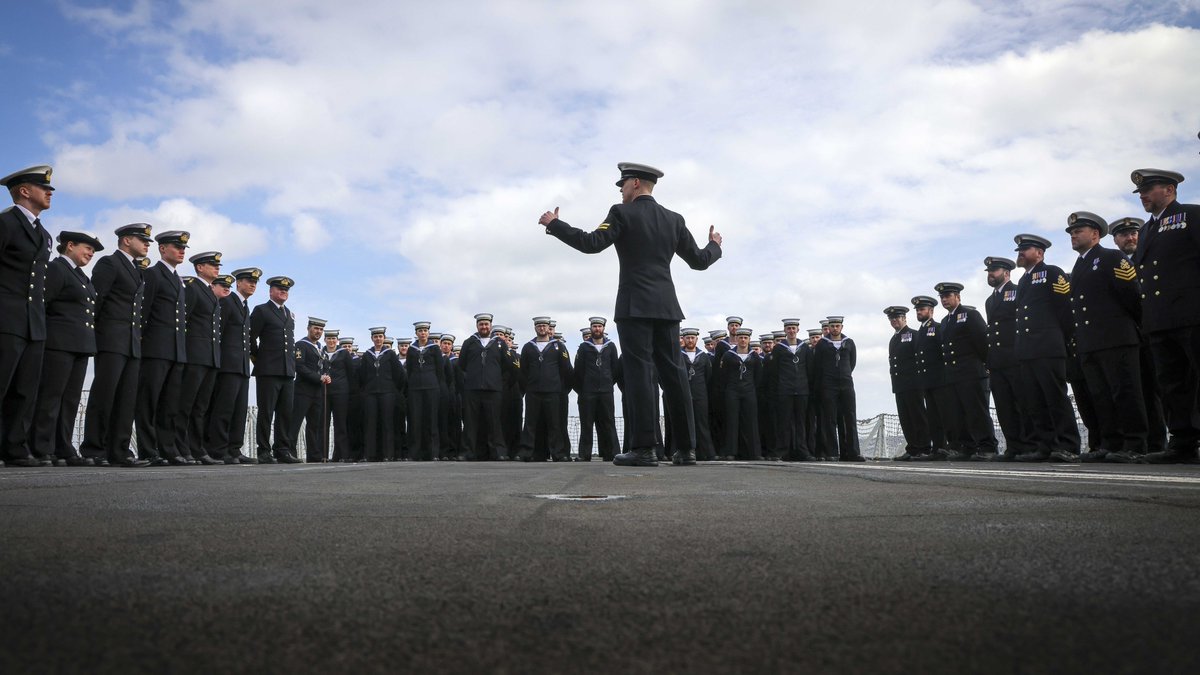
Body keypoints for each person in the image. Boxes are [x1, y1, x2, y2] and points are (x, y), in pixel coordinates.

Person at [539, 162, 723, 466]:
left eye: (623, 184)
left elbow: (591, 243)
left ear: (635, 183)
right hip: (667, 307)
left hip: (634, 306)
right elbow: (700, 261)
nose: (621, 190)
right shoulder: (674, 219)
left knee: (639, 374)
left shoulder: (621, 213)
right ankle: (687, 449)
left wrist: (555, 224)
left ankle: (644, 448)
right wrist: (714, 246)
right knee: (675, 375)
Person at [1129, 169, 1200, 463]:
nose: (1143, 195)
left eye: (1149, 189)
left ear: (1170, 189)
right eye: (1141, 191)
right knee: (1172, 384)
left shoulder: (1191, 216)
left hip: (1192, 313)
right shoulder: (1146, 230)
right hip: (1159, 320)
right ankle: (1182, 441)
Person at [1065, 211, 1146, 463]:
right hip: (1090, 342)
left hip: (1116, 338)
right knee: (1100, 395)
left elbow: (1133, 296)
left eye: (1079, 230)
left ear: (1096, 234)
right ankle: (1110, 443)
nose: (1074, 235)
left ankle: (1135, 443)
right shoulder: (1079, 265)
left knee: (1125, 391)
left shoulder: (1112, 257)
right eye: (1071, 232)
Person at [82, 224, 152, 467]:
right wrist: (94, 335)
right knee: (105, 394)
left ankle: (119, 450)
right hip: (110, 338)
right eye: (142, 240)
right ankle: (94, 448)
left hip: (131, 342)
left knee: (126, 398)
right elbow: (97, 301)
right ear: (125, 240)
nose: (146, 245)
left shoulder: (135, 269)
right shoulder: (109, 263)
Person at [30, 231, 103, 466]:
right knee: (50, 397)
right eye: (87, 248)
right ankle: (41, 447)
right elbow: (43, 304)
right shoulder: (57, 269)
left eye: (93, 250)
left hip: (80, 345)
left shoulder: (82, 276)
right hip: (58, 343)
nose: (91, 253)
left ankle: (63, 446)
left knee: (70, 400)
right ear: (69, 245)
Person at [0, 165, 55, 467]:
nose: (49, 193)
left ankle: (15, 447)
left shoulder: (43, 234)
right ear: (24, 191)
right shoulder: (5, 224)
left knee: (25, 389)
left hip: (33, 322)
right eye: (43, 188)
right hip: (6, 317)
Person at [1011, 234, 1080, 463]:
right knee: (1035, 401)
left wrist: (1062, 339)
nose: (1020, 253)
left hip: (1049, 347)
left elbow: (1066, 310)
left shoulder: (1052, 272)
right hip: (1028, 350)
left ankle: (1068, 445)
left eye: (1025, 249)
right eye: (1019, 250)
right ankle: (1046, 446)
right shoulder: (1022, 281)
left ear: (1039, 253)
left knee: (1055, 398)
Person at [1110, 216, 1166, 455]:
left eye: (1134, 233)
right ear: (1115, 240)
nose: (1130, 237)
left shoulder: (1151, 258)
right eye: (1123, 234)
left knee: (1161, 388)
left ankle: (1164, 442)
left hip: (1155, 329)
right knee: (1139, 389)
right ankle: (1149, 444)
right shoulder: (1114, 264)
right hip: (1131, 337)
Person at [136, 230, 191, 466]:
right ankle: (148, 450)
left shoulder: (177, 279)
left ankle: (167, 448)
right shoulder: (153, 274)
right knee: (149, 400)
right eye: (176, 247)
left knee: (170, 403)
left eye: (183, 248)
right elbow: (143, 312)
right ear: (162, 249)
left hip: (175, 350)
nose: (181, 251)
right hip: (156, 348)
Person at [933, 282, 995, 460]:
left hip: (971, 372)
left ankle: (987, 446)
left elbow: (983, 342)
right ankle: (966, 447)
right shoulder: (945, 322)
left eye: (948, 296)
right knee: (958, 413)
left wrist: (986, 365)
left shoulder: (970, 315)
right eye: (942, 297)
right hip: (953, 375)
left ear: (958, 297)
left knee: (977, 411)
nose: (945, 300)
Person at [206, 266, 260, 464]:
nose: (253, 284)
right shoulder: (228, 302)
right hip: (228, 365)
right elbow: (218, 334)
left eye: (255, 282)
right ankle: (219, 450)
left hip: (242, 366)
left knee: (239, 411)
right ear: (238, 283)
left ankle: (234, 448)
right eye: (249, 281)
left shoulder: (244, 306)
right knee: (224, 408)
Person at [178, 251, 224, 465]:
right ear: (199, 268)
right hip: (195, 355)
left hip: (209, 357)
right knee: (186, 404)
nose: (217, 269)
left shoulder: (209, 292)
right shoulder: (193, 289)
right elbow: (183, 322)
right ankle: (182, 447)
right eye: (212, 265)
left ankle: (197, 448)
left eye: (218, 266)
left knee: (200, 407)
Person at [983, 256, 1030, 461]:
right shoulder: (990, 300)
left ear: (1007, 272)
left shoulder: (1018, 290)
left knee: (1023, 403)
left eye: (995, 270)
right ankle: (1013, 446)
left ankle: (1029, 445)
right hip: (997, 361)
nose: (991, 274)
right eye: (989, 272)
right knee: (1004, 406)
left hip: (1015, 357)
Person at [250, 275, 301, 463]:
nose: (283, 291)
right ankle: (264, 450)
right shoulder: (261, 310)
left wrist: (292, 366)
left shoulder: (289, 314)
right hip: (268, 370)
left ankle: (282, 449)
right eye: (279, 288)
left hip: (287, 371)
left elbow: (290, 342)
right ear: (271, 291)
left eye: (286, 289)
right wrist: (259, 359)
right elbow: (250, 338)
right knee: (266, 412)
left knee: (285, 413)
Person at [459, 313, 513, 461]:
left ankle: (499, 453)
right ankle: (467, 452)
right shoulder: (469, 342)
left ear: (491, 325)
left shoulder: (499, 343)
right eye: (481, 324)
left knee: (495, 423)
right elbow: (462, 364)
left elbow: (506, 365)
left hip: (493, 389)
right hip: (473, 388)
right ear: (477, 326)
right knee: (470, 423)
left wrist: (494, 378)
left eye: (486, 324)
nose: (484, 327)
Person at [517, 317, 572, 462]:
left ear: (549, 328)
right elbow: (523, 370)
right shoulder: (528, 347)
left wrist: (560, 388)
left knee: (555, 424)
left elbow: (565, 369)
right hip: (533, 391)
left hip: (553, 391)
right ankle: (528, 452)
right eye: (539, 326)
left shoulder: (558, 346)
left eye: (544, 326)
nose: (542, 328)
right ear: (535, 328)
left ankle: (558, 454)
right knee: (530, 423)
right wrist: (528, 386)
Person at [812, 316, 864, 461]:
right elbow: (817, 365)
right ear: (828, 328)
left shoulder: (849, 343)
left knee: (849, 417)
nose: (835, 328)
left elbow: (852, 363)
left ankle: (852, 452)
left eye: (837, 326)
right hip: (829, 385)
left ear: (841, 327)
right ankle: (832, 452)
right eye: (832, 326)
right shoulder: (822, 344)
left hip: (846, 383)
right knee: (830, 419)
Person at [574, 316, 621, 461]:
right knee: (586, 423)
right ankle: (584, 454)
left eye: (599, 327)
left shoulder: (611, 346)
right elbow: (578, 370)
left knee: (608, 422)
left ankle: (611, 453)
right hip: (588, 391)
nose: (597, 329)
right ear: (591, 328)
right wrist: (583, 388)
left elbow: (615, 369)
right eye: (594, 327)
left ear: (603, 329)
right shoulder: (584, 347)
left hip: (606, 391)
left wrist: (607, 383)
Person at [885, 306, 927, 461]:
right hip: (900, 384)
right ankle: (913, 447)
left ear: (904, 318)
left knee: (917, 416)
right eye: (891, 319)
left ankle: (923, 447)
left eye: (897, 317)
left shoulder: (913, 335)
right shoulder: (894, 339)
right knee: (906, 418)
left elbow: (919, 357)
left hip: (913, 382)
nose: (894, 321)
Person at [769, 318, 815, 461]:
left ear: (798, 330)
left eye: (793, 328)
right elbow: (774, 372)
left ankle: (802, 450)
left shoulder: (804, 347)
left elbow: (810, 370)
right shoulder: (778, 348)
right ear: (785, 330)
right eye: (788, 328)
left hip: (802, 390)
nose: (791, 331)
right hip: (785, 390)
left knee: (801, 422)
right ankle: (783, 451)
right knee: (784, 422)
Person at [358, 326, 406, 462]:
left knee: (387, 423)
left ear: (384, 338)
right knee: (370, 424)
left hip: (387, 393)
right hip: (371, 393)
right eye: (375, 337)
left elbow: (399, 374)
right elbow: (362, 375)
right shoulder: (367, 355)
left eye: (380, 336)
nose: (378, 339)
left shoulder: (390, 354)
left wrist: (392, 388)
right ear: (372, 338)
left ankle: (388, 454)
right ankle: (370, 454)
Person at [291, 317, 331, 462]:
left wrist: (326, 376)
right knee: (295, 423)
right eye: (315, 328)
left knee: (315, 425)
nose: (318, 332)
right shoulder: (301, 345)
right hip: (303, 390)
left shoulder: (321, 349)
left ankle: (314, 455)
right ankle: (290, 452)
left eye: (321, 329)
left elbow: (325, 366)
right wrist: (318, 377)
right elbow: (300, 367)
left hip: (317, 392)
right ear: (308, 328)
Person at [406, 321, 443, 461]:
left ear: (428, 333)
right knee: (416, 420)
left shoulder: (434, 348)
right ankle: (415, 453)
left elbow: (440, 370)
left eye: (425, 330)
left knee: (431, 420)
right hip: (415, 388)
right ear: (416, 333)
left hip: (431, 387)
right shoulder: (412, 349)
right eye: (420, 331)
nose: (422, 333)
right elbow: (409, 369)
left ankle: (433, 452)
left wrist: (436, 384)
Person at [678, 327, 716, 461]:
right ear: (684, 339)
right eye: (687, 338)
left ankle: (706, 452)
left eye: (692, 338)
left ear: (696, 339)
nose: (690, 340)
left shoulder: (703, 356)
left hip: (700, 393)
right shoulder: (678, 355)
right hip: (684, 392)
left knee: (702, 423)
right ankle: (685, 452)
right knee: (685, 423)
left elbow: (708, 376)